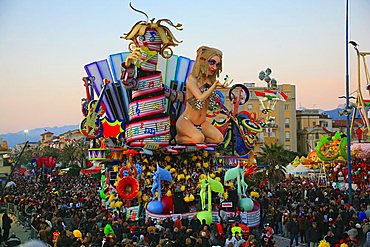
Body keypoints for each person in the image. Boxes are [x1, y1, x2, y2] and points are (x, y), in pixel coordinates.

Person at [175, 46, 229, 145]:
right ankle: (177, 139)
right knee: (198, 138)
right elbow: (200, 98)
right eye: (212, 62)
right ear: (203, 61)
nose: (214, 67)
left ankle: (198, 138)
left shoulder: (210, 81)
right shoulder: (192, 79)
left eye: (217, 64)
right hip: (187, 121)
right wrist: (214, 86)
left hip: (202, 123)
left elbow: (211, 104)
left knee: (219, 138)